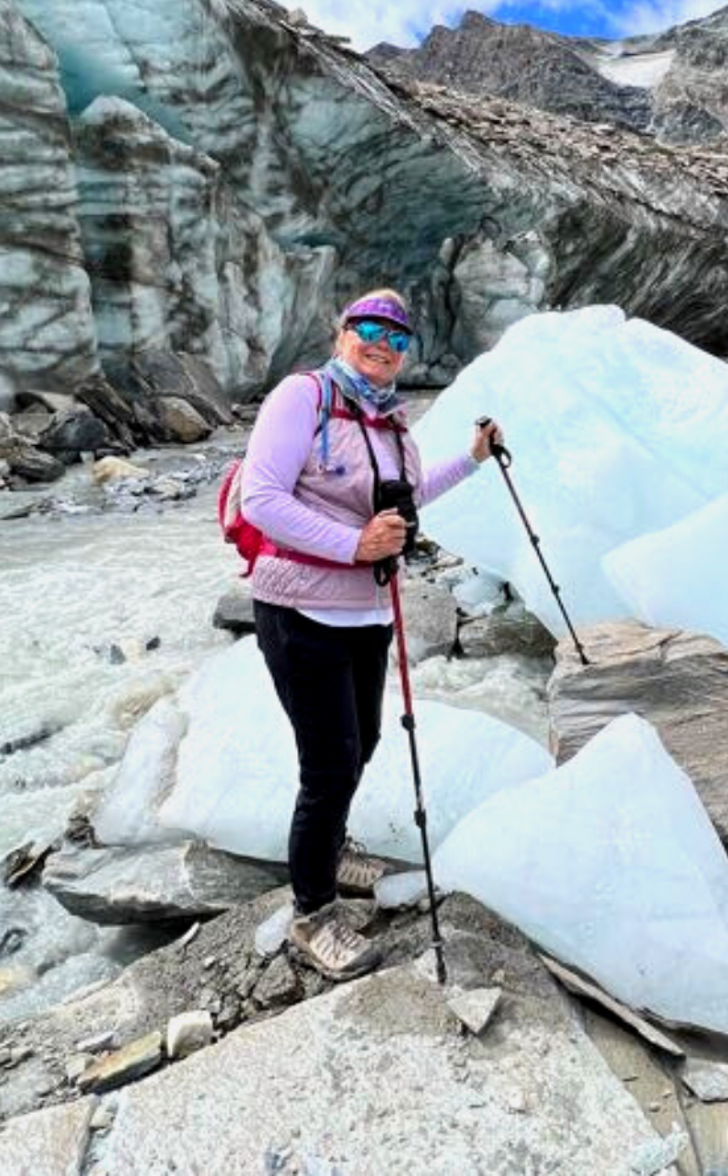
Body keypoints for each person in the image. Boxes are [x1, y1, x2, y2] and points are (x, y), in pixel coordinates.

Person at [240, 289, 500, 980]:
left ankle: (331, 847)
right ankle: (313, 913)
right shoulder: (304, 399)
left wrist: (471, 458)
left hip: (367, 615)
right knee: (327, 766)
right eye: (371, 328)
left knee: (364, 744)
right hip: (298, 611)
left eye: (398, 336)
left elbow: (406, 504)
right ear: (343, 331)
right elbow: (259, 499)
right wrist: (353, 545)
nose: (384, 343)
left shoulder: (389, 422)